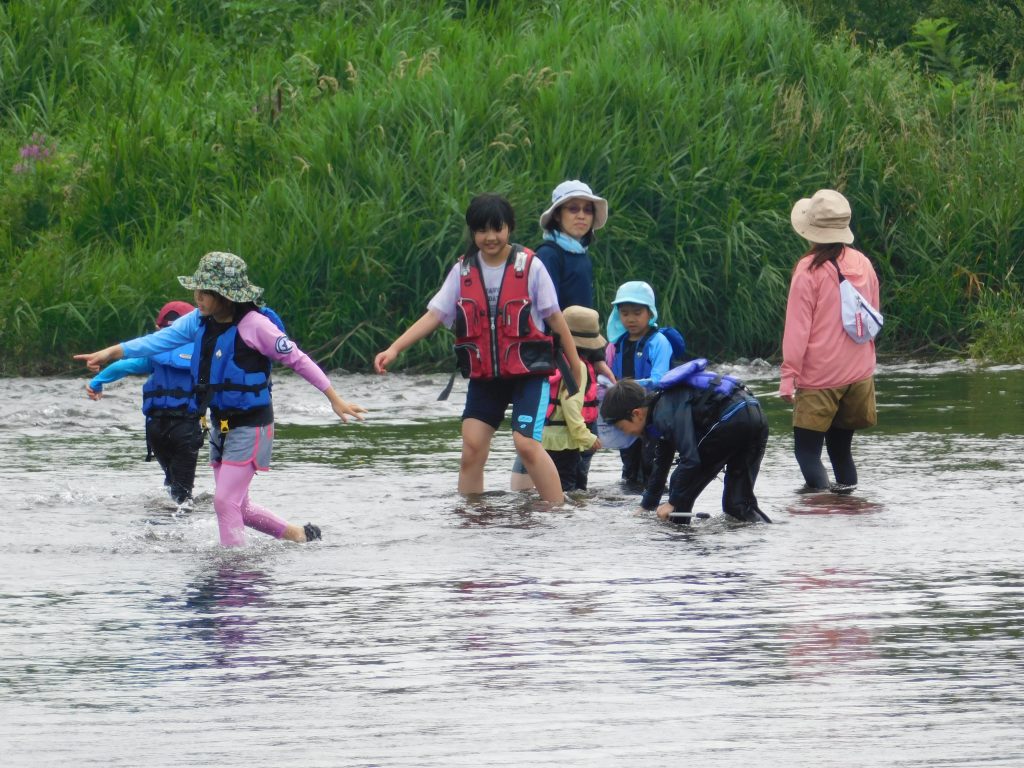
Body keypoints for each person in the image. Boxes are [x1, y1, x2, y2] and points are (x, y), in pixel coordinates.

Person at [75, 251, 366, 546]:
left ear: (225, 296)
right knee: (240, 506)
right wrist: (111, 352)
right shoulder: (199, 321)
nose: (197, 296)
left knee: (224, 502)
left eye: (204, 292)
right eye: (197, 290)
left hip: (252, 425)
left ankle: (231, 571)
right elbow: (156, 341)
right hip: (221, 424)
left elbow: (297, 360)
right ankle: (299, 535)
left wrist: (333, 397)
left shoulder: (255, 325)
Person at [373, 193, 582, 505]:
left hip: (529, 374)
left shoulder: (531, 267)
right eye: (482, 230)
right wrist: (394, 348)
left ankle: (558, 511)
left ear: (509, 229)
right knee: (471, 448)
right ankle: (473, 514)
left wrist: (575, 363)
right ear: (473, 232)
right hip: (486, 377)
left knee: (525, 444)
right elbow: (434, 315)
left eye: (497, 229)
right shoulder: (463, 271)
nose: (490, 237)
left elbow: (555, 318)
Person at [780, 189, 880, 494]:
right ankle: (848, 506)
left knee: (806, 453)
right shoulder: (862, 262)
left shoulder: (809, 269)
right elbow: (872, 317)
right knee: (840, 450)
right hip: (859, 374)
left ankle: (822, 509)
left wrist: (788, 377)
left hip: (821, 377)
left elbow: (798, 330)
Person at [600, 363, 770, 524]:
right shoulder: (661, 408)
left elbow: (690, 460)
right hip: (755, 416)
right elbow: (662, 461)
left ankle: (677, 545)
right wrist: (647, 505)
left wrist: (673, 502)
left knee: (679, 485)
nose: (626, 433)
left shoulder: (664, 412)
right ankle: (766, 536)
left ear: (636, 414)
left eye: (622, 427)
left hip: (730, 419)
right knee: (738, 504)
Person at [85, 300, 202, 508]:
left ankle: (163, 524)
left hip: (155, 430)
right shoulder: (203, 353)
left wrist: (97, 382)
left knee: (171, 481)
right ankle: (178, 535)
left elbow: (123, 366)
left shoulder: (153, 354)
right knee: (183, 496)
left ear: (159, 328)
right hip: (185, 428)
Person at [512, 306, 604, 493]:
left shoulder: (549, 361)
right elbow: (571, 406)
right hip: (564, 444)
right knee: (566, 493)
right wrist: (586, 437)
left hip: (541, 438)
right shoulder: (578, 367)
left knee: (544, 490)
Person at [605, 281, 674, 484]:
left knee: (651, 462)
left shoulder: (659, 342)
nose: (630, 319)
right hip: (625, 414)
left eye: (637, 312)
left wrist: (628, 387)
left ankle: (652, 501)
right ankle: (630, 506)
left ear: (649, 313)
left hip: (652, 412)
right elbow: (608, 376)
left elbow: (660, 379)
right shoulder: (615, 346)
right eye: (625, 313)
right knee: (628, 466)